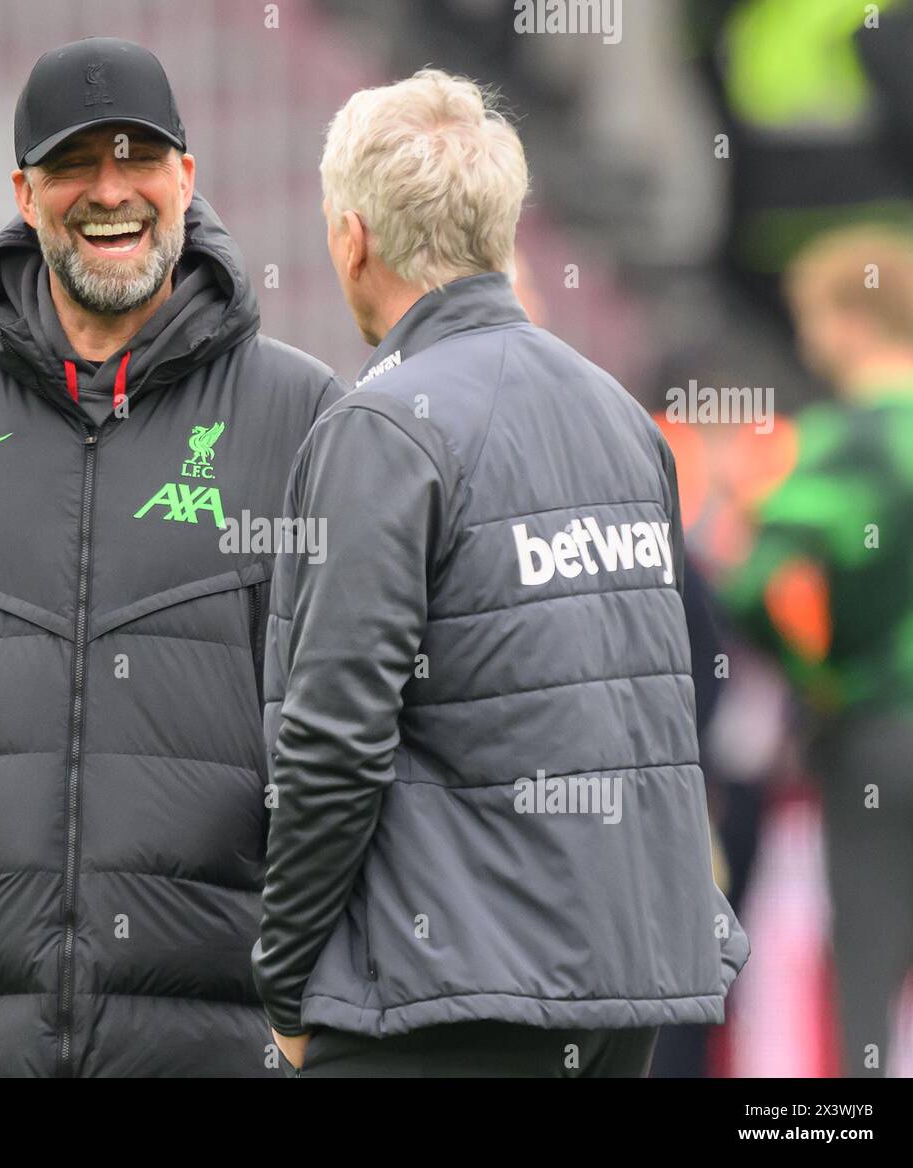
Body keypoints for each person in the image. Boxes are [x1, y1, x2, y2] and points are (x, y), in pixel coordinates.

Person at [0, 36, 342, 1077]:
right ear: (25, 194)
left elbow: (368, 690)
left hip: (219, 1031)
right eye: (74, 164)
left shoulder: (303, 416)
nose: (109, 191)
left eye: (137, 159)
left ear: (187, 174)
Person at [252, 69, 750, 1078]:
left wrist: (284, 969)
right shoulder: (619, 416)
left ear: (351, 237)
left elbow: (335, 736)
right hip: (626, 973)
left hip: (448, 993)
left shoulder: (383, 426)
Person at [722, 225, 913, 1077]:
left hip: (877, 731)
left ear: (852, 320)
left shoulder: (842, 441)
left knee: (869, 972)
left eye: (813, 318)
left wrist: (822, 677)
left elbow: (753, 585)